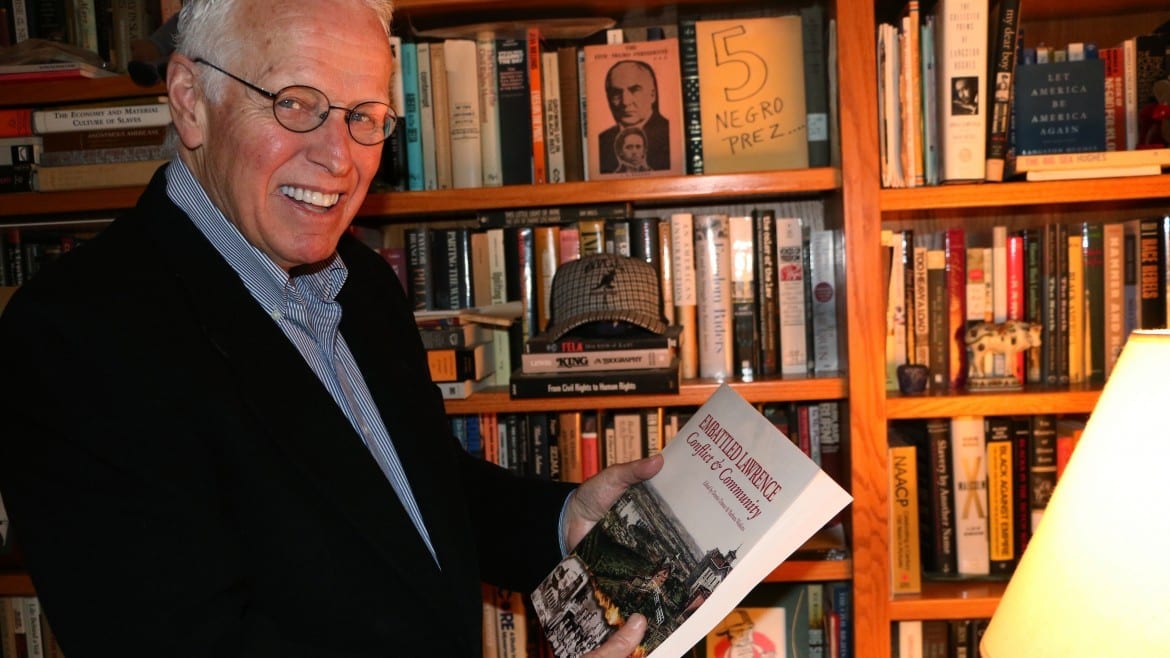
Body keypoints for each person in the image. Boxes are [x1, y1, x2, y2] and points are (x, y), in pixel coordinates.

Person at [0, 0, 658, 656]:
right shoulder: (73, 336)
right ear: (190, 100)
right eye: (295, 103)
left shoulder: (361, 280)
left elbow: (414, 491)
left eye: (364, 116)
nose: (339, 158)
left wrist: (564, 519)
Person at [598, 59, 671, 173]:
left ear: (652, 95)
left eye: (635, 90)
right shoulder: (602, 141)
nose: (625, 102)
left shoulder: (671, 134)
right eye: (616, 93)